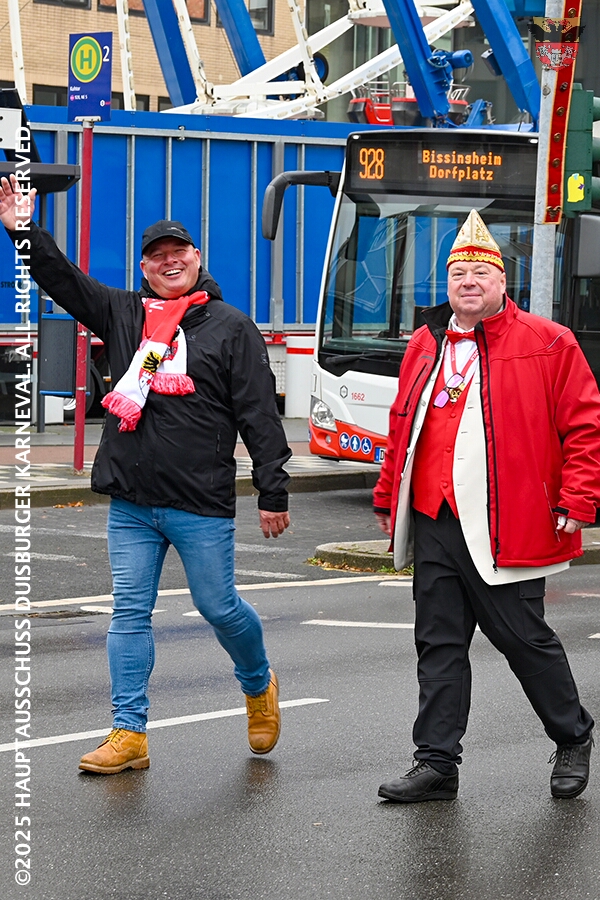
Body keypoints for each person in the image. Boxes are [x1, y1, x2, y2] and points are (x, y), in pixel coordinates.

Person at [0, 174, 292, 774]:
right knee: (129, 613)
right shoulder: (123, 313)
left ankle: (258, 682)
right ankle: (129, 732)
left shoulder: (231, 327)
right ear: (144, 268)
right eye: (157, 256)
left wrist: (273, 489)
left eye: (177, 252)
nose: (168, 262)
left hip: (199, 501)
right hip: (132, 501)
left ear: (196, 258)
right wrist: (23, 231)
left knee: (219, 608)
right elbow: (62, 278)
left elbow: (259, 414)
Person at [373, 209, 600, 803]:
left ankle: (573, 735)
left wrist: (579, 497)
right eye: (458, 273)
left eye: (480, 272)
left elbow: (584, 425)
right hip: (434, 518)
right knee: (439, 644)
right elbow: (402, 426)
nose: (468, 282)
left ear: (503, 281)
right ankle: (436, 762)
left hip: (508, 520)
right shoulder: (424, 343)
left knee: (523, 639)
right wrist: (388, 495)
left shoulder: (549, 342)